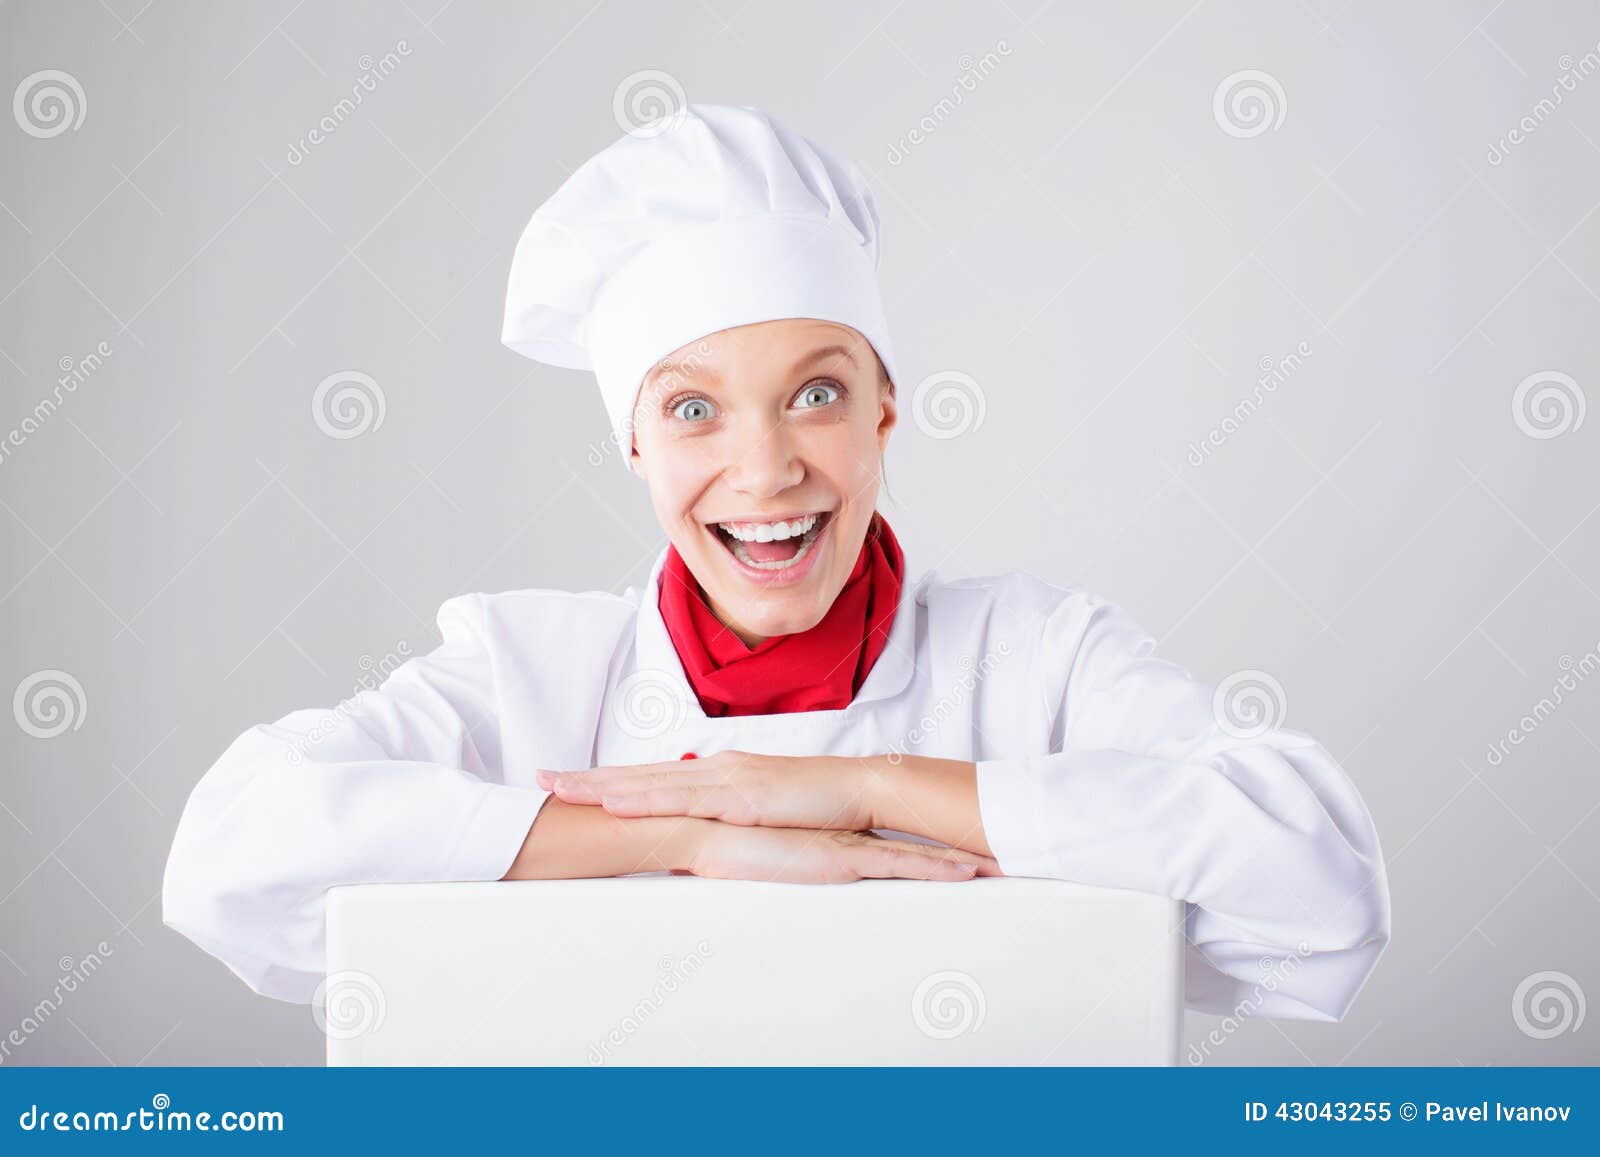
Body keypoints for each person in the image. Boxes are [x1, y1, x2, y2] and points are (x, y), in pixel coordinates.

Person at [163, 104, 1390, 1022]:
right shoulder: (527, 671)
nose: (764, 472)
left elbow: (1321, 890)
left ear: (884, 414)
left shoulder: (1037, 659)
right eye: (693, 411)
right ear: (633, 445)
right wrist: (683, 838)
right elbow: (231, 851)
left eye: (814, 393)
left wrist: (873, 790)